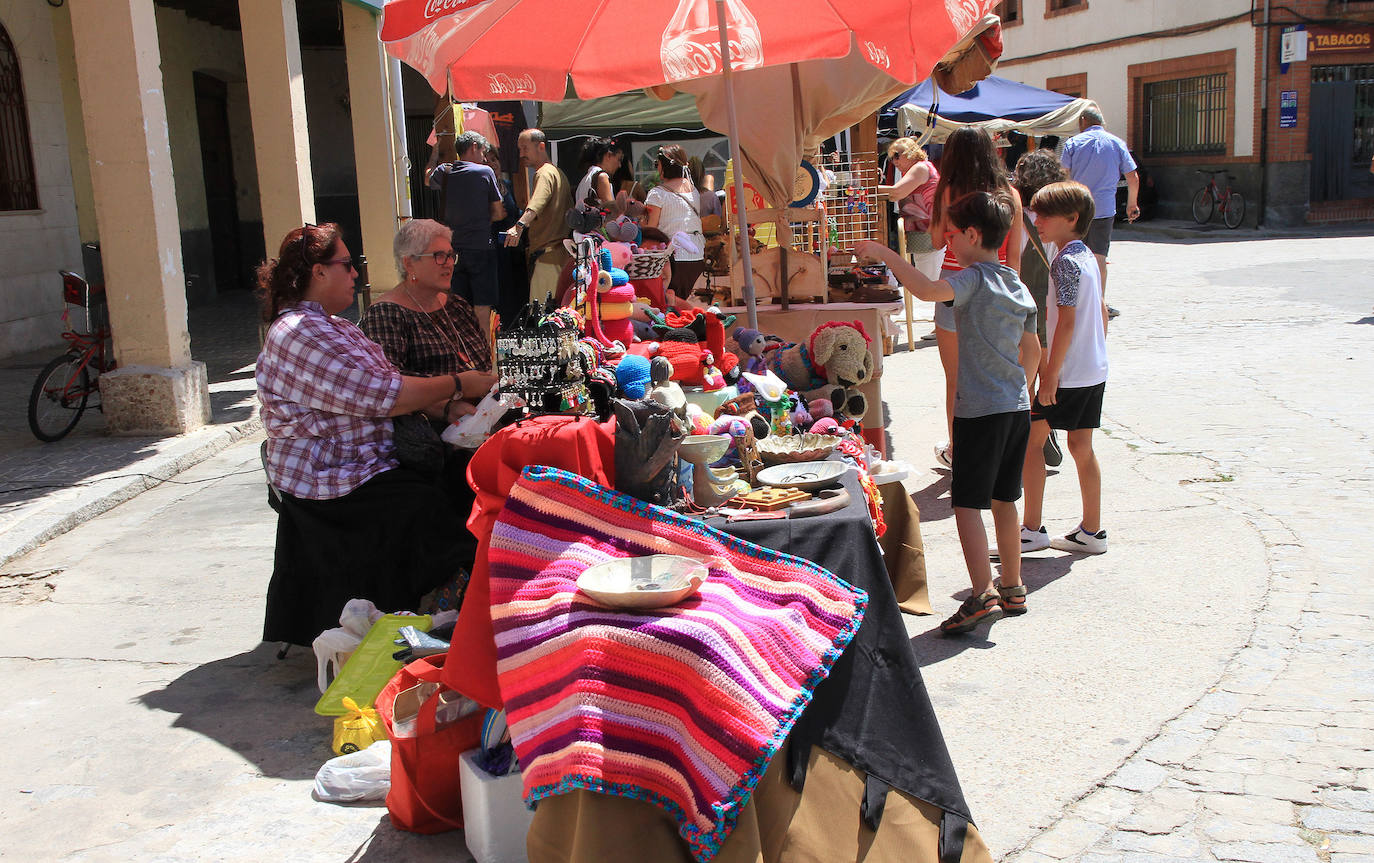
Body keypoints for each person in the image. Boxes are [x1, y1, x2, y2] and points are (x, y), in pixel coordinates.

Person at [255, 223, 478, 646]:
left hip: (370, 461)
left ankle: (455, 604)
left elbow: (389, 385)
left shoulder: (332, 326)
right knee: (427, 507)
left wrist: (449, 405)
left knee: (467, 477)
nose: (356, 273)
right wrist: (458, 384)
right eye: (347, 264)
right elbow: (383, 394)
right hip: (335, 476)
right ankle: (434, 619)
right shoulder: (298, 332)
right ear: (319, 272)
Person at [858, 190, 1040, 635]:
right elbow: (1033, 350)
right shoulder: (1016, 283)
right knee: (1005, 500)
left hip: (979, 412)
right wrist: (1020, 388)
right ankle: (1013, 586)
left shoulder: (972, 279)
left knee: (966, 505)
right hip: (1016, 407)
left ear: (973, 235)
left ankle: (982, 595)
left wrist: (884, 252)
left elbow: (926, 290)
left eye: (953, 234)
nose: (947, 241)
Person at [1020, 181, 1110, 556]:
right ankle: (1092, 529)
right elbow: (1101, 310)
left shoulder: (1065, 262)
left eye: (1045, 215)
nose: (1037, 221)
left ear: (1071, 218)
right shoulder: (1086, 256)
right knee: (1081, 446)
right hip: (1091, 369)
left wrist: (1050, 375)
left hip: (1067, 374)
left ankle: (1031, 529)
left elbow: (1067, 323)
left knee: (1031, 443)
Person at [928, 127, 1024, 469]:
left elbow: (936, 241)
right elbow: (1015, 255)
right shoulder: (1010, 194)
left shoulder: (949, 191)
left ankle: (959, 450)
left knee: (956, 378)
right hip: (998, 285)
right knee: (996, 372)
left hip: (954, 284)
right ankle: (996, 450)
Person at [1013, 148, 1070, 469]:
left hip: (1023, 309)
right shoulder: (1062, 219)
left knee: (1025, 380)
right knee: (1048, 380)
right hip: (1053, 308)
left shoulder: (1017, 216)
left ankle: (1026, 441)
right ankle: (1043, 432)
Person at [1060, 104, 1139, 321]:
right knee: (1099, 258)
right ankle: (1098, 302)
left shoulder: (1073, 143)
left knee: (1073, 255)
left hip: (1077, 208)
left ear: (1083, 121)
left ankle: (1073, 301)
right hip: (1103, 209)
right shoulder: (1116, 143)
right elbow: (1133, 177)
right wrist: (1132, 204)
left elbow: (1063, 175)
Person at [425, 130, 504, 339]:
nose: (485, 158)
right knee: (482, 307)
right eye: (483, 152)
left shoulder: (445, 171)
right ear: (474, 147)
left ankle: (461, 351)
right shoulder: (485, 172)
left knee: (458, 307)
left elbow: (426, 179)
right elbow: (498, 212)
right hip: (481, 247)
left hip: (453, 251)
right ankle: (483, 353)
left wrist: (434, 153)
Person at [504, 128, 572, 303]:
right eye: (520, 149)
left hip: (547, 260)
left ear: (541, 146)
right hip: (559, 257)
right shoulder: (558, 173)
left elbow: (536, 204)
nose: (521, 154)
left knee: (543, 314)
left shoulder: (544, 173)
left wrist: (518, 226)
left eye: (525, 148)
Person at [644, 145, 706, 301]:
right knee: (688, 302)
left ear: (664, 166)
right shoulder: (693, 190)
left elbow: (651, 229)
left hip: (673, 258)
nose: (657, 168)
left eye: (657, 164)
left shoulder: (657, 194)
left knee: (671, 302)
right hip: (697, 254)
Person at [877, 137, 942, 272]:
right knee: (926, 276)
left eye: (896, 156)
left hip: (929, 234)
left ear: (910, 153)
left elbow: (897, 192)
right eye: (891, 158)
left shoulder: (920, 168)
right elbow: (896, 194)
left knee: (928, 279)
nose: (894, 161)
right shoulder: (918, 168)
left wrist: (866, 187)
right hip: (926, 234)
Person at [484, 141, 529, 328]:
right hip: (494, 252)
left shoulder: (508, 186)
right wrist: (492, 217)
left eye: (494, 159)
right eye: (486, 161)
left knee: (518, 295)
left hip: (514, 251)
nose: (492, 164)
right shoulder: (481, 189)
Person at [574, 136, 623, 210]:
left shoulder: (584, 180)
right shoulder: (602, 177)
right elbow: (611, 211)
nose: (619, 165)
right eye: (619, 159)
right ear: (608, 155)